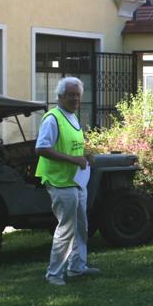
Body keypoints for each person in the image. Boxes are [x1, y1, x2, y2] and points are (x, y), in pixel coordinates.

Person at [36, 77, 98, 286]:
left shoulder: (72, 117)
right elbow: (42, 148)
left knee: (82, 226)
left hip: (76, 180)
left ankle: (77, 267)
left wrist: (85, 155)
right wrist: (74, 159)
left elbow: (72, 147)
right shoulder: (52, 118)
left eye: (77, 95)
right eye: (70, 94)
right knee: (66, 228)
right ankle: (53, 274)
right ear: (60, 97)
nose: (75, 98)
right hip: (60, 181)